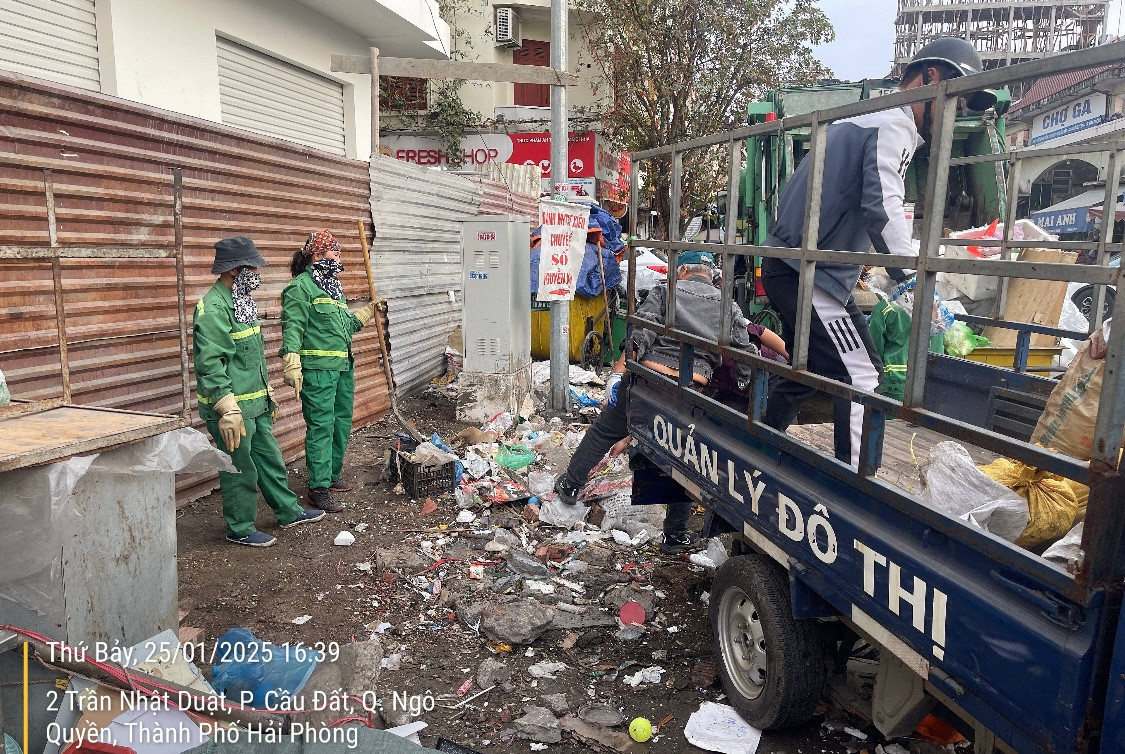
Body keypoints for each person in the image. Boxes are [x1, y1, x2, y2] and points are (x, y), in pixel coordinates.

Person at [760, 37, 995, 467]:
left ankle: (757, 448)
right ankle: (852, 486)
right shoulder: (894, 124)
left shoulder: (870, 118)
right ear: (932, 79)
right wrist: (911, 278)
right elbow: (882, 205)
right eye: (956, 102)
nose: (955, 115)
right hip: (807, 272)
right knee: (861, 375)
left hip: (800, 267)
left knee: (815, 367)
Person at [553, 251, 756, 553]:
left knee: (605, 430)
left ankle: (570, 486)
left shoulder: (665, 292)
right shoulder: (728, 305)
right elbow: (743, 351)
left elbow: (641, 335)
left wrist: (618, 374)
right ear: (711, 274)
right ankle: (675, 536)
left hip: (649, 381)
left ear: (682, 270)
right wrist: (740, 385)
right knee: (682, 457)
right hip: (690, 389)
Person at [193, 236, 325, 547]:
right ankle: (239, 527)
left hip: (254, 405)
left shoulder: (240, 302)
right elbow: (211, 363)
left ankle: (288, 511)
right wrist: (226, 407)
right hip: (232, 409)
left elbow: (249, 357)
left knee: (270, 460)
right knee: (240, 469)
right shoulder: (213, 307)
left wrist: (267, 391)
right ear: (234, 271)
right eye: (251, 267)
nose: (256, 273)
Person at [280, 230, 377, 513]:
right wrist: (291, 360)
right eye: (335, 252)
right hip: (318, 372)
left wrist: (367, 312)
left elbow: (345, 326)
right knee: (321, 426)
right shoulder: (301, 288)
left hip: (342, 368)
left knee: (341, 422)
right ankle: (318, 488)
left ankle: (331, 475)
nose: (339, 257)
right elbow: (293, 327)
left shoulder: (332, 289)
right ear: (317, 255)